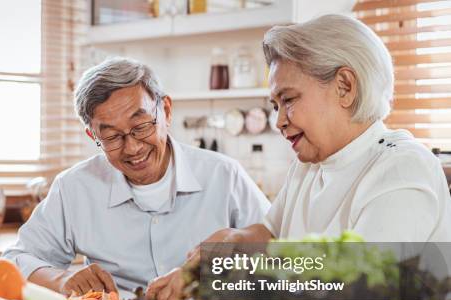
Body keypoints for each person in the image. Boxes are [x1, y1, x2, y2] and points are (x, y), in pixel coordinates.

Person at [3, 57, 270, 300]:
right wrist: (61, 280)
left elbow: (296, 266)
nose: (132, 148)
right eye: (112, 137)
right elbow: (14, 261)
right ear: (92, 136)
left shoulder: (224, 176)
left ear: (165, 111)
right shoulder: (74, 187)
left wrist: (212, 280)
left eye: (141, 127)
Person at [192, 14, 451, 250]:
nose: (278, 121)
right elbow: (270, 233)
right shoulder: (308, 166)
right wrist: (232, 244)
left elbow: (357, 287)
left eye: (289, 99)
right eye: (275, 105)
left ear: (345, 87)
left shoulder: (402, 168)